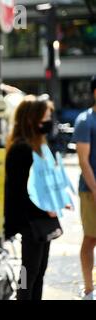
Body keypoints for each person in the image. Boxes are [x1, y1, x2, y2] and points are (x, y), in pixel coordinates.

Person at [4, 95, 63, 300]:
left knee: (38, 269)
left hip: (41, 219)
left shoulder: (38, 145)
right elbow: (20, 191)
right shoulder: (22, 148)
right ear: (32, 119)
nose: (48, 121)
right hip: (31, 220)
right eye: (45, 117)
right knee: (29, 270)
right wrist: (46, 206)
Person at [72, 75, 96, 300]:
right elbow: (83, 160)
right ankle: (89, 289)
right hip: (91, 191)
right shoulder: (85, 120)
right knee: (91, 238)